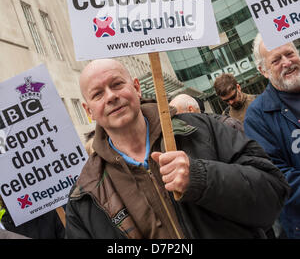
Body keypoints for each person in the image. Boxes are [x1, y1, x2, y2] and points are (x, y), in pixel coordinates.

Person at [65, 58, 289, 239]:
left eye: (116, 84)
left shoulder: (205, 129)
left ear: (136, 88)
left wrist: (201, 177)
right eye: (98, 94)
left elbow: (273, 194)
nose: (111, 96)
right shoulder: (86, 195)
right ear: (88, 111)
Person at [244, 34, 300, 239]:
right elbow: (277, 176)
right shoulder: (257, 116)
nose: (287, 62)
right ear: (263, 70)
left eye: (289, 53)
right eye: (276, 60)